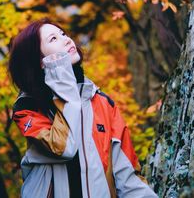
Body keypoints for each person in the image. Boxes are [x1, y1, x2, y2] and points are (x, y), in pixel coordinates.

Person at [8, 18, 158, 198]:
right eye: (53, 39)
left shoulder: (103, 103)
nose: (67, 39)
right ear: (40, 61)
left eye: (63, 34)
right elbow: (64, 148)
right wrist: (63, 82)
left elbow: (128, 178)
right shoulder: (27, 107)